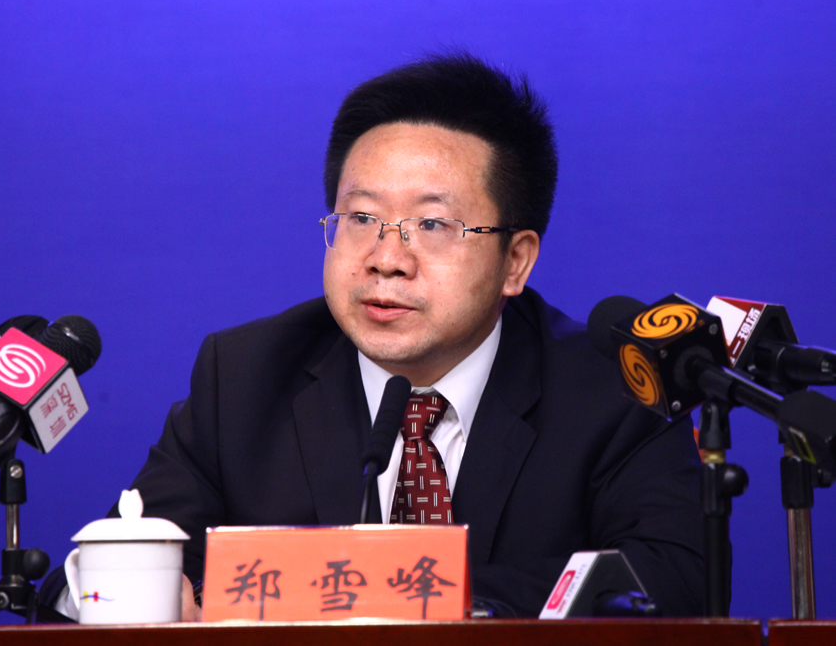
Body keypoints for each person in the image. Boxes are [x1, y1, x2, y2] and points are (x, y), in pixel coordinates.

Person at [46, 53, 704, 618]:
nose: (387, 258)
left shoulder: (614, 391)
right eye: (361, 218)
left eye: (432, 225)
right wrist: (144, 590)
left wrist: (390, 596)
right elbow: (92, 582)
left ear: (516, 261)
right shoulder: (244, 377)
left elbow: (672, 583)